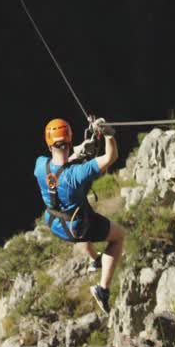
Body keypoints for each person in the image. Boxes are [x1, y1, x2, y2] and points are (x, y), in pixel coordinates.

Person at [35, 117, 125, 313]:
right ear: (69, 141)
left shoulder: (40, 165)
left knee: (84, 215)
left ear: (49, 145)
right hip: (77, 228)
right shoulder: (78, 173)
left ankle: (95, 259)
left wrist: (81, 149)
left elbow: (60, 160)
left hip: (54, 223)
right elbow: (111, 156)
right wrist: (109, 134)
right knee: (118, 236)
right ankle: (103, 289)